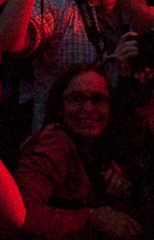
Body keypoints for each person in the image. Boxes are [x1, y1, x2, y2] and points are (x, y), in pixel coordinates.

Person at [13, 65, 141, 239]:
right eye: (76, 98)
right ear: (59, 107)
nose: (88, 108)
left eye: (98, 99)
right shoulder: (54, 144)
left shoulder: (91, 147)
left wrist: (118, 179)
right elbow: (19, 213)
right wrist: (92, 218)